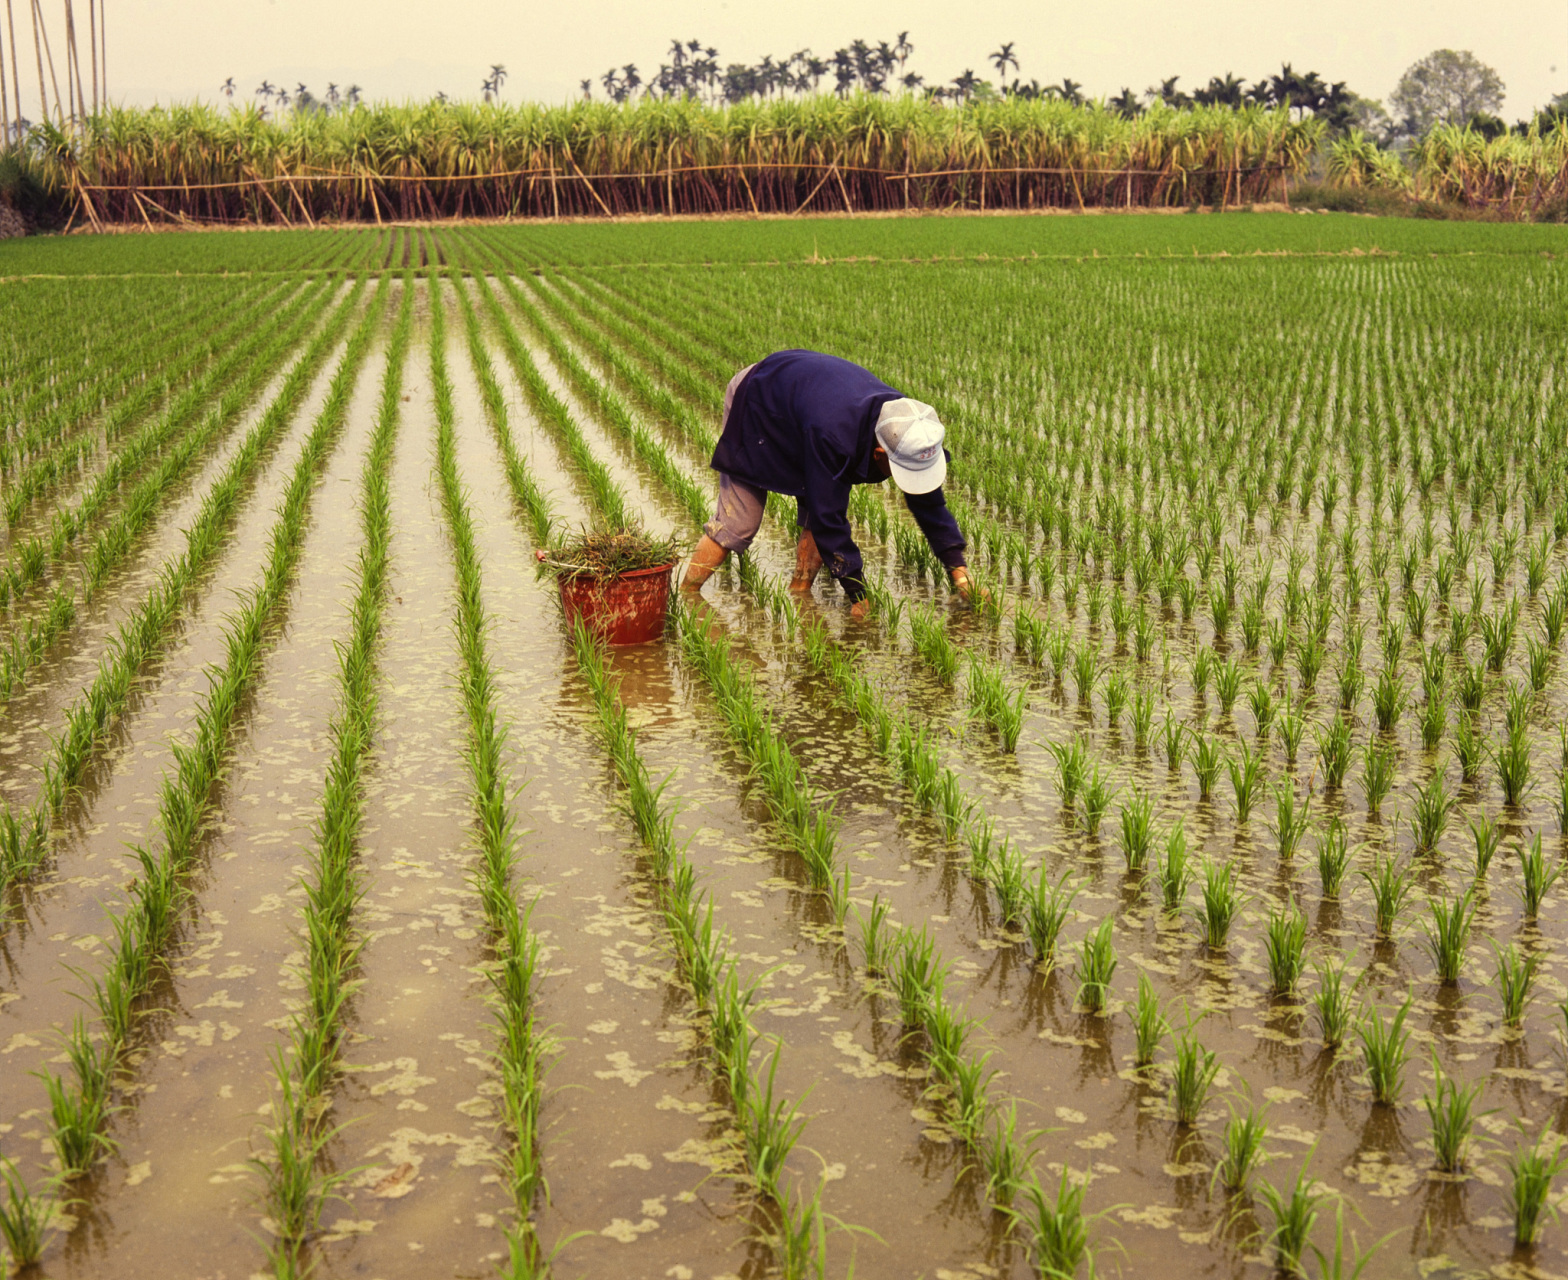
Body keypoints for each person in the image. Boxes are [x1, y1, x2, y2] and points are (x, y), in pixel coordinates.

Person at [680, 349, 976, 618]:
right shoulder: (836, 436)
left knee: (815, 510)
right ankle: (687, 598)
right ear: (879, 453)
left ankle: (799, 596)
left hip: (807, 402)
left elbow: (928, 502)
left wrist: (959, 572)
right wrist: (858, 593)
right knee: (739, 523)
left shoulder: (909, 428)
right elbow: (829, 519)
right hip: (760, 395)